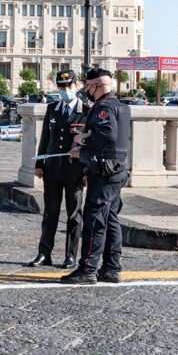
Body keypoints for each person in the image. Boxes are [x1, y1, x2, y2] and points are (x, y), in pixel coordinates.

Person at [61, 68, 131, 285]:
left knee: (94, 221)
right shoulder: (122, 106)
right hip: (118, 170)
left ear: (95, 86)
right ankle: (111, 267)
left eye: (87, 87)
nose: (86, 91)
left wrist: (82, 141)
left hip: (104, 173)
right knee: (110, 219)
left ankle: (87, 269)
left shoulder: (104, 107)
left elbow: (106, 135)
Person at [29, 69, 85, 270]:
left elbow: (90, 141)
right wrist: (39, 164)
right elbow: (45, 138)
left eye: (68, 86)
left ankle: (71, 255)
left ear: (76, 86)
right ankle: (44, 253)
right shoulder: (52, 108)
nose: (65, 90)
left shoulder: (85, 110)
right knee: (50, 212)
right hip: (52, 169)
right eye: (61, 87)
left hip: (74, 170)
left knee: (73, 214)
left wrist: (85, 169)